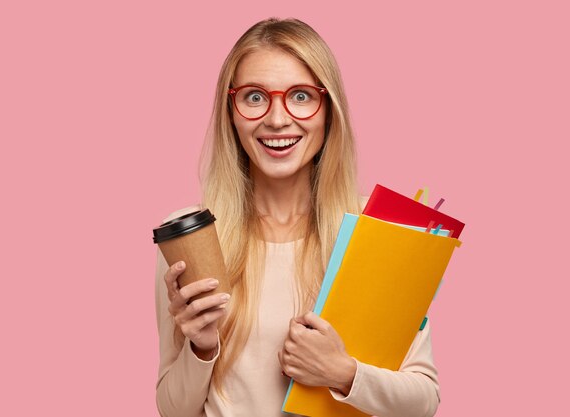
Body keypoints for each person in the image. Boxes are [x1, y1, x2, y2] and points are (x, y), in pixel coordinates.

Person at [154, 17, 440, 417]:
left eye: (301, 96)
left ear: (328, 108)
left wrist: (343, 374)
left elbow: (424, 401)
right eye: (254, 97)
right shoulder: (194, 234)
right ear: (230, 111)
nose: (276, 119)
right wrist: (201, 347)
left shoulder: (376, 230)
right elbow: (172, 410)